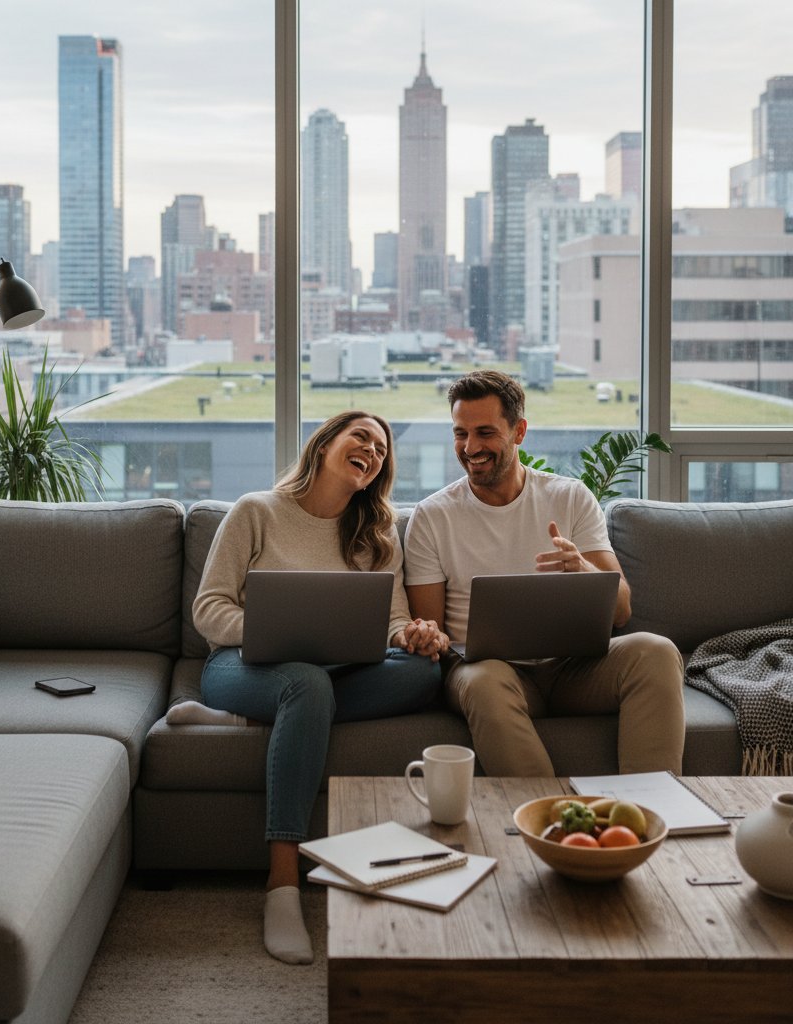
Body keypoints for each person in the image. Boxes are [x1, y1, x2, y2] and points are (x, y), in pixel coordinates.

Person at [167, 410, 448, 965]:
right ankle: (283, 883)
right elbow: (209, 608)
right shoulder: (256, 511)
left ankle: (259, 721)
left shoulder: (377, 532)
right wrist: (276, 634)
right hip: (242, 666)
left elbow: (391, 620)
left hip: (331, 675)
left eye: (382, 449)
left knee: (424, 674)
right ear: (324, 444)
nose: (373, 449)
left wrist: (412, 633)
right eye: (360, 436)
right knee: (305, 681)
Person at [403, 369, 685, 779]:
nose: (470, 447)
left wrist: (584, 569)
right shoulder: (433, 516)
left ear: (519, 432)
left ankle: (648, 815)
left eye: (485, 432)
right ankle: (547, 824)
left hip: (574, 670)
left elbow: (621, 612)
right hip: (490, 671)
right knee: (483, 680)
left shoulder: (569, 497)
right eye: (460, 433)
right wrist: (427, 635)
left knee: (656, 651)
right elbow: (435, 631)